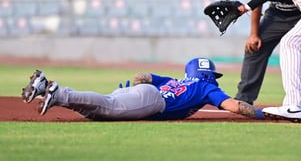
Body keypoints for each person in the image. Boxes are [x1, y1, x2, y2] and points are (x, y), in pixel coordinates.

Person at [21, 57, 265, 121]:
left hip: (144, 93)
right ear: (208, 75)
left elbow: (140, 76)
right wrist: (262, 113)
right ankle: (59, 91)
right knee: (109, 107)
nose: (214, 78)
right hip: (153, 102)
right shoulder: (207, 88)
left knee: (99, 112)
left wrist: (138, 88)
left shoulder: (175, 80)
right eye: (212, 74)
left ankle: (48, 90)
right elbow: (235, 106)